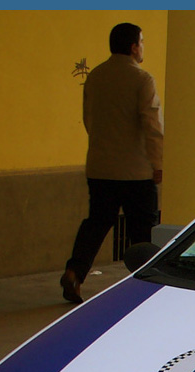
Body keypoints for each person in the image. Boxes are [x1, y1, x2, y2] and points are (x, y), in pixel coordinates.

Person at [60, 23, 164, 304]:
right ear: (133, 47)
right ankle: (141, 288)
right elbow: (152, 125)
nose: (143, 47)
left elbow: (89, 119)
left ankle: (74, 272)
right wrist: (158, 162)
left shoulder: (95, 77)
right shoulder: (143, 80)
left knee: (96, 223)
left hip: (100, 166)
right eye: (141, 42)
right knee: (142, 230)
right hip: (136, 171)